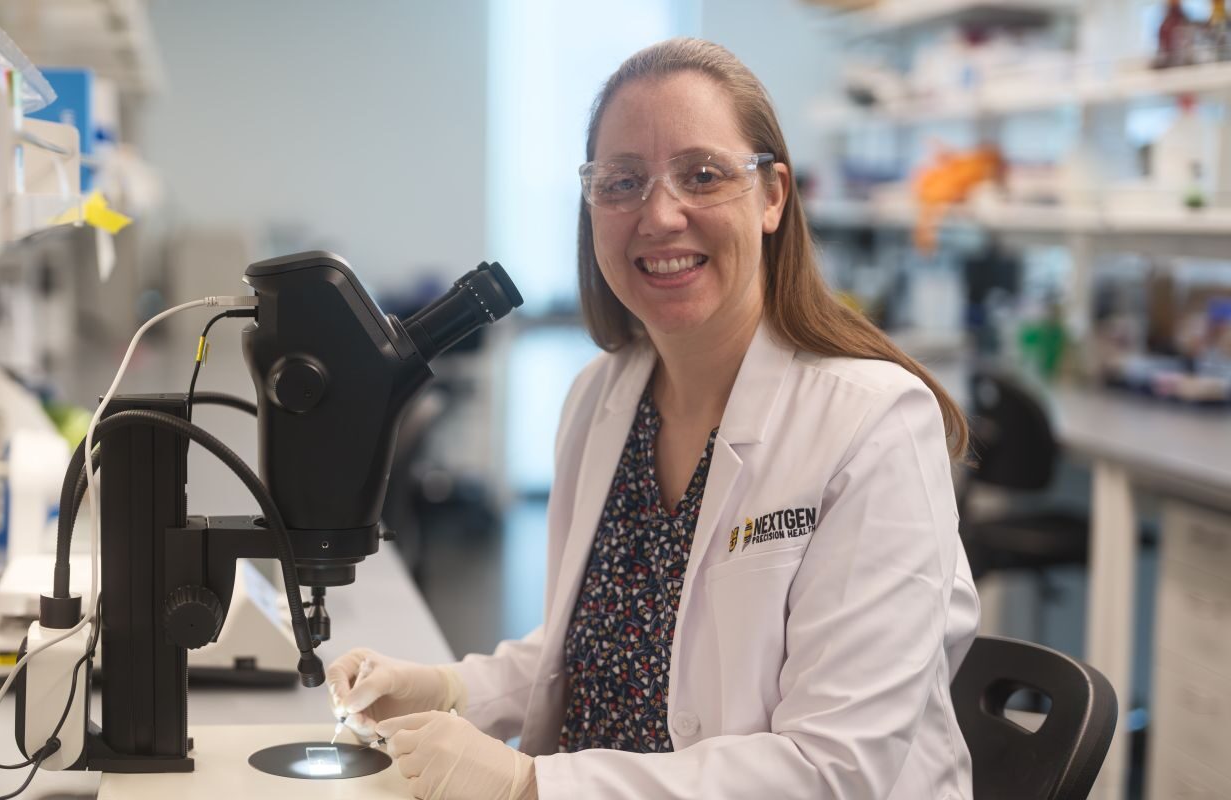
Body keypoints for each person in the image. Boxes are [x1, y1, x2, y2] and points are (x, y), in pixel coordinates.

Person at [327, 38, 979, 800]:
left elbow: (834, 770)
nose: (660, 214)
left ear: (772, 197)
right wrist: (447, 690)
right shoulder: (604, 397)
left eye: (703, 175)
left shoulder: (873, 426)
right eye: (622, 182)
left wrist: (531, 784)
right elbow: (595, 650)